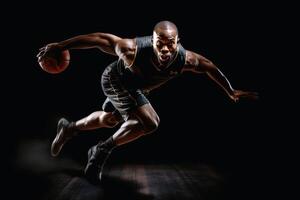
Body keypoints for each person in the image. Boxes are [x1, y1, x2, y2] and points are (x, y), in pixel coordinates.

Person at [37, 21, 258, 183]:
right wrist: (61, 45)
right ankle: (100, 151)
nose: (164, 50)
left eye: (170, 44)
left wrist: (230, 91)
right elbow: (100, 39)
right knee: (150, 122)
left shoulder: (186, 59)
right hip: (115, 80)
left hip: (135, 89)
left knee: (111, 119)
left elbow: (209, 66)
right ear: (152, 41)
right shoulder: (132, 49)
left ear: (177, 42)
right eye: (159, 44)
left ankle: (69, 127)